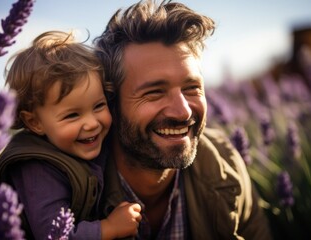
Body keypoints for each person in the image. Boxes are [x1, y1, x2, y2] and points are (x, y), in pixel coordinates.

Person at [93, 0, 273, 239]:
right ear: (110, 103)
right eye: (154, 92)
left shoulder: (226, 165)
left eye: (192, 89)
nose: (183, 112)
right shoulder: (64, 191)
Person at [0, 30, 141, 239]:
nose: (92, 123)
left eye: (99, 105)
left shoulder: (74, 144)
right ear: (35, 123)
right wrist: (108, 227)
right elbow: (53, 235)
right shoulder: (37, 169)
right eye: (72, 115)